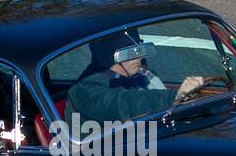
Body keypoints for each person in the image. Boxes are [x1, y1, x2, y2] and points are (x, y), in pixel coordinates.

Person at [65, 32, 205, 127]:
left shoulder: (143, 76)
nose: (138, 56)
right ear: (106, 54)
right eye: (128, 50)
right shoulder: (84, 91)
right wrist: (175, 96)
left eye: (138, 46)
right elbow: (125, 104)